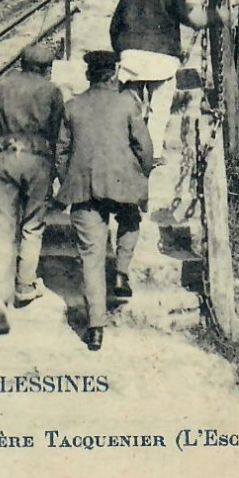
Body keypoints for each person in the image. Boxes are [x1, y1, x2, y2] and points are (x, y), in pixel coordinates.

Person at [55, 51, 154, 351]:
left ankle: (95, 328)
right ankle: (122, 272)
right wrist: (141, 175)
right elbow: (145, 147)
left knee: (92, 257)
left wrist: (69, 179)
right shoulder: (128, 103)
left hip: (84, 187)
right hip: (122, 182)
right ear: (114, 75)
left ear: (88, 76)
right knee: (131, 219)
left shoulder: (72, 107)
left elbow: (60, 152)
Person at [0, 42, 64, 334]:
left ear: (22, 63)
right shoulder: (52, 92)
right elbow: (56, 132)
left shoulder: (0, 87)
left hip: (4, 158)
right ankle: (25, 285)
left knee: (0, 230)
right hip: (37, 160)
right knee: (32, 224)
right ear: (45, 68)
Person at [109, 0, 217, 163]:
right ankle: (154, 153)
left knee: (132, 107)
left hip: (132, 59)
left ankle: (128, 149)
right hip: (163, 61)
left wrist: (121, 53)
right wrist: (217, 16)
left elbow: (114, 28)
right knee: (159, 108)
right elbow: (193, 20)